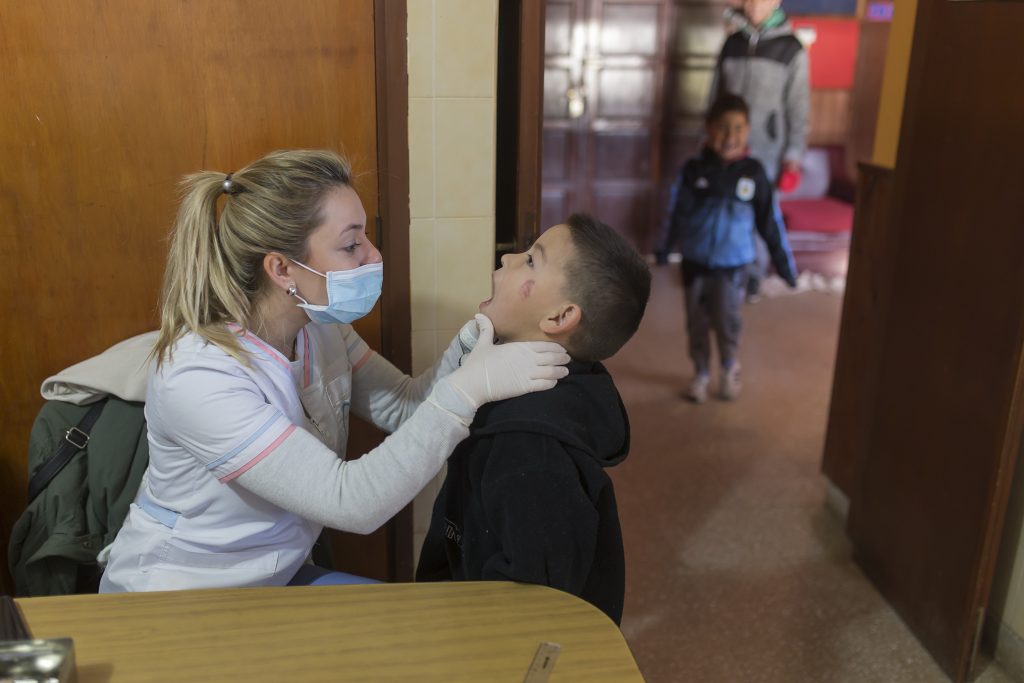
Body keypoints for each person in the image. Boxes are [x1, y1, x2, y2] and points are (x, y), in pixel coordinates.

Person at [99, 149, 570, 592]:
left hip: (274, 574)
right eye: (351, 245)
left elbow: (405, 406)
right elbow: (353, 502)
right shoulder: (199, 377)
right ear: (282, 269)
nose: (374, 255)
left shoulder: (319, 327)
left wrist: (473, 341)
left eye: (365, 236)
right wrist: (469, 391)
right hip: (182, 591)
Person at [415, 213, 650, 624]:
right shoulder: (513, 396)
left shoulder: (529, 450)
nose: (507, 260)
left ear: (560, 318)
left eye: (529, 261)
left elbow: (531, 613)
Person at [658, 95, 796, 403]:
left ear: (747, 130)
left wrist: (785, 267)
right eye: (721, 127)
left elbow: (770, 222)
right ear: (708, 129)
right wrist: (664, 247)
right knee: (696, 322)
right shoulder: (694, 170)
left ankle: (729, 366)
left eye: (737, 128)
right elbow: (675, 211)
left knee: (726, 319)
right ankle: (701, 372)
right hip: (694, 262)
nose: (729, 136)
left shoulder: (754, 173)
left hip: (733, 266)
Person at [710, 0, 809, 300]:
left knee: (759, 217)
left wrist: (793, 156)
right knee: (724, 209)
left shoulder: (792, 48)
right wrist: (709, 135)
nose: (754, 4)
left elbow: (798, 107)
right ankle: (721, 272)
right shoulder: (732, 42)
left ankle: (751, 278)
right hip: (726, 145)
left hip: (767, 150)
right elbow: (715, 95)